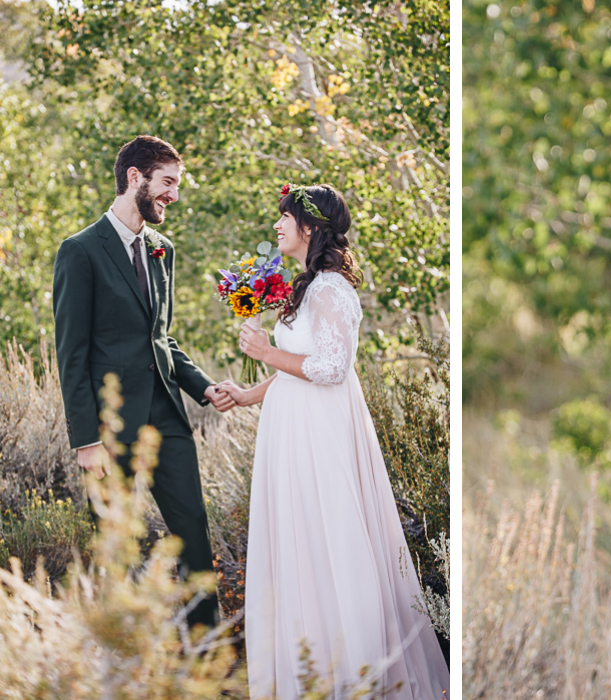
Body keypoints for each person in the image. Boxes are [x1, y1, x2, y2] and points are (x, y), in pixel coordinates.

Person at [228, 184, 450, 698]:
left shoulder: (331, 288)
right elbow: (297, 370)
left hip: (318, 440)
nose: (277, 227)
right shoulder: (308, 285)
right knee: (299, 543)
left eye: (284, 218)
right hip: (291, 432)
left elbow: (331, 369)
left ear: (310, 226)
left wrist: (264, 351)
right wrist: (246, 395)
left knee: (330, 542)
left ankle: (353, 676)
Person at [51, 135, 237, 631]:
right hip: (109, 428)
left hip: (167, 418)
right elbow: (71, 354)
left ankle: (205, 651)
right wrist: (86, 438)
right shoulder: (79, 251)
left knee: (193, 530)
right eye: (168, 183)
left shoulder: (162, 250)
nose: (173, 195)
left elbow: (162, 338)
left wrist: (202, 387)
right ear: (136, 178)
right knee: (114, 543)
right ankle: (118, 658)